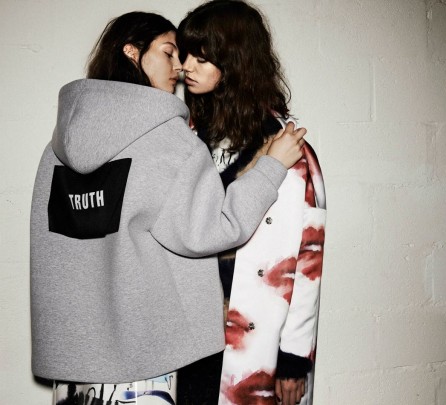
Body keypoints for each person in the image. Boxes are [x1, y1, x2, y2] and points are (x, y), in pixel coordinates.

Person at [29, 11, 306, 405]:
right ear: (132, 52)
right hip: (148, 361)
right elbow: (214, 229)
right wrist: (271, 167)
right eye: (168, 52)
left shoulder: (56, 149)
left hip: (77, 364)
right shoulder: (167, 138)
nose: (179, 67)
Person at [176, 1, 327, 404]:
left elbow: (307, 259)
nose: (186, 67)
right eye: (185, 54)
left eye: (201, 57)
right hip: (187, 339)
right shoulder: (185, 137)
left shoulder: (287, 148)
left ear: (235, 62)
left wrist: (293, 359)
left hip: (252, 344)